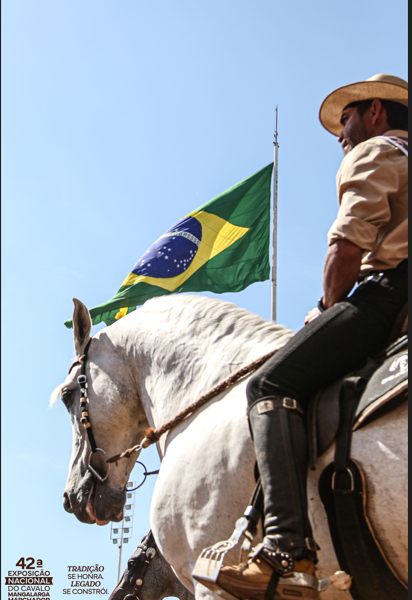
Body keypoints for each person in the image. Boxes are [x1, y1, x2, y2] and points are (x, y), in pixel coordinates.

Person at [216, 74, 408, 599]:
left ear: (374, 111)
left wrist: (325, 308)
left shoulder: (378, 151)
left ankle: (286, 549)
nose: (341, 134)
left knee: (269, 385)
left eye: (346, 119)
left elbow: (348, 248)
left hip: (391, 294)